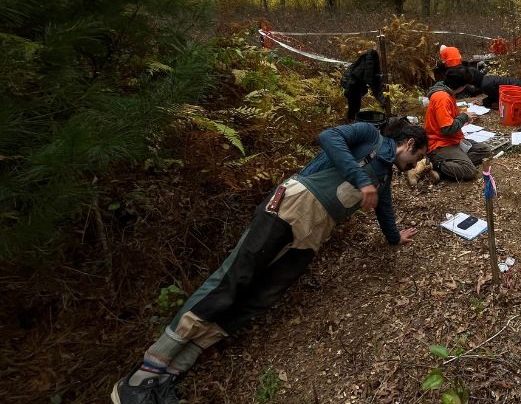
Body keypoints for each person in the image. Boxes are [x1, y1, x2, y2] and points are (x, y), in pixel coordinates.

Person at [111, 120, 427, 404]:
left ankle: (170, 374)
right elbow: (328, 136)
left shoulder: (385, 177)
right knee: (233, 280)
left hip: (313, 234)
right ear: (409, 144)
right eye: (417, 157)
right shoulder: (369, 134)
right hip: (290, 206)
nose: (415, 164)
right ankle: (140, 378)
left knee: (258, 297)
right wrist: (361, 178)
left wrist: (395, 237)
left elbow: (384, 209)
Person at [422, 67, 491, 182]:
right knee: (470, 171)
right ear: (461, 86)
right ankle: (435, 164)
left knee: (485, 151)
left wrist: (465, 117)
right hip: (440, 143)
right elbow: (447, 129)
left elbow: (449, 119)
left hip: (453, 139)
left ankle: (455, 162)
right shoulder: (442, 98)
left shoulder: (448, 92)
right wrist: (464, 117)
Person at [341, 49, 385, 121]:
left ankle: (352, 120)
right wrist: (369, 83)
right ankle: (352, 121)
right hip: (352, 87)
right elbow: (363, 76)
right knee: (354, 106)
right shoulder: (364, 63)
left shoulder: (362, 61)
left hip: (353, 86)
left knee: (354, 106)